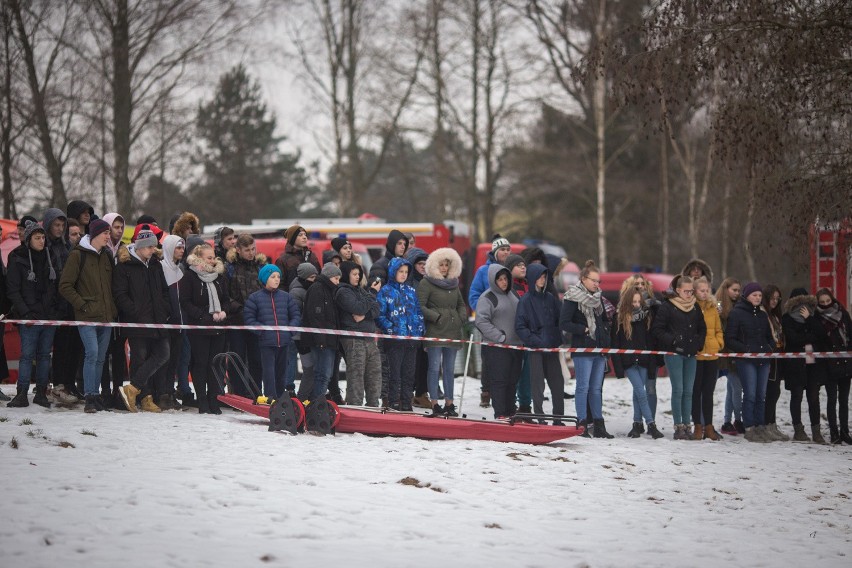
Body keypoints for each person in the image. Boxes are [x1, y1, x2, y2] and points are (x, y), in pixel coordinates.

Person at [58, 219, 118, 413]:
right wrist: (81, 305)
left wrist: (113, 310)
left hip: (106, 316)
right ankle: (89, 397)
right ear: (95, 235)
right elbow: (65, 286)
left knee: (100, 358)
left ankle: (94, 394)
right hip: (86, 316)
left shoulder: (107, 255)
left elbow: (111, 286)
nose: (108, 237)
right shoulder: (77, 255)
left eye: (109, 233)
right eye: (105, 233)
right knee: (91, 354)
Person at [114, 230, 171, 413]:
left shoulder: (155, 264)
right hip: (136, 321)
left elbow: (164, 291)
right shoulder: (124, 266)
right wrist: (135, 312)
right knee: (139, 357)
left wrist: (164, 309)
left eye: (154, 246)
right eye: (149, 246)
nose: (153, 250)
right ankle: (145, 397)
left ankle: (131, 389)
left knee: (163, 353)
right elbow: (120, 295)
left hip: (157, 319)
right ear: (139, 247)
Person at [5, 222, 61, 408]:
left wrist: (51, 310)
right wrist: (26, 312)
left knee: (45, 355)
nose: (41, 241)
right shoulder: (17, 257)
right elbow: (13, 290)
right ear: (28, 240)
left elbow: (55, 286)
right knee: (27, 355)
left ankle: (41, 393)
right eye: (37, 238)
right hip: (27, 317)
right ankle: (21, 393)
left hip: (47, 316)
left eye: (43, 237)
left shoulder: (50, 256)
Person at [180, 243, 238, 414]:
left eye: (214, 257)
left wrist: (224, 311)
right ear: (199, 257)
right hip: (199, 327)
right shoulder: (190, 276)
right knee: (201, 363)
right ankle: (202, 399)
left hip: (219, 326)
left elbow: (227, 299)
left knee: (215, 363)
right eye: (209, 258)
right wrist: (203, 316)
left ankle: (214, 398)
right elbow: (185, 302)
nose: (213, 261)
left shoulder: (220, 276)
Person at [561, 260, 613, 438]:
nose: (597, 284)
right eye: (594, 280)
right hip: (583, 348)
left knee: (596, 388)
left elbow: (605, 320)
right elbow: (564, 322)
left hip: (599, 348)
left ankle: (598, 424)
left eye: (599, 281)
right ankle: (581, 423)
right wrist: (582, 329)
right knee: (582, 387)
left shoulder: (599, 298)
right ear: (583, 279)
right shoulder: (572, 297)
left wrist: (605, 333)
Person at [651, 275, 706, 440]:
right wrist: (673, 340)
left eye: (691, 291)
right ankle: (678, 426)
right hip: (674, 353)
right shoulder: (667, 306)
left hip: (691, 353)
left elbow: (702, 329)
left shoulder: (695, 307)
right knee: (679, 389)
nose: (689, 294)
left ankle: (687, 425)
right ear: (677, 290)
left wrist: (698, 343)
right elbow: (657, 329)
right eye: (686, 291)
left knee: (689, 391)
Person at [417, 248, 467, 417]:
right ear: (434, 265)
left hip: (453, 331)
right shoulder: (426, 283)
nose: (444, 268)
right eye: (441, 264)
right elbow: (420, 305)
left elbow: (461, 303)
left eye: (447, 264)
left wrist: (461, 317)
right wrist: (436, 317)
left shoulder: (454, 283)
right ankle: (434, 403)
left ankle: (449, 403)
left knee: (449, 369)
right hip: (435, 330)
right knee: (433, 368)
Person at [725, 282, 775, 443]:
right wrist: (746, 349)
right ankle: (749, 427)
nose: (758, 298)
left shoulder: (762, 315)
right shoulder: (737, 313)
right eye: (755, 295)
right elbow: (730, 339)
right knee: (750, 394)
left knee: (761, 395)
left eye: (760, 295)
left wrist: (769, 347)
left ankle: (760, 426)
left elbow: (769, 336)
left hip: (763, 359)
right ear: (747, 296)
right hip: (746, 360)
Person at [611, 286, 664, 439]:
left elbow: (651, 341)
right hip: (628, 362)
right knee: (641, 392)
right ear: (627, 302)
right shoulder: (619, 318)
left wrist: (653, 362)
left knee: (637, 392)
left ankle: (636, 424)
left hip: (644, 360)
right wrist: (619, 368)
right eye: (633, 301)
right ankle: (651, 424)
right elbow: (616, 343)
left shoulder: (646, 317)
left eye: (638, 301)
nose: (636, 304)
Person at [515, 263, 565, 422]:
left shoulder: (550, 298)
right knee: (537, 386)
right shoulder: (525, 300)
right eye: (539, 277)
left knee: (557, 383)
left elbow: (559, 320)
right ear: (532, 279)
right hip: (535, 349)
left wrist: (557, 339)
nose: (543, 280)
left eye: (544, 277)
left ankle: (558, 418)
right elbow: (520, 326)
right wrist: (534, 341)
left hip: (551, 348)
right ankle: (540, 417)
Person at [41, 208, 81, 404]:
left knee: (68, 348)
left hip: (68, 305)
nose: (59, 228)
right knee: (49, 350)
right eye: (56, 225)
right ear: (48, 225)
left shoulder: (66, 248)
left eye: (61, 225)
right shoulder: (44, 246)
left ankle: (65, 384)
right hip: (50, 306)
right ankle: (50, 386)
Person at [244, 264, 301, 400]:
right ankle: (270, 397)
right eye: (272, 277)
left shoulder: (286, 297)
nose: (276, 279)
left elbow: (296, 316)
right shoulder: (255, 298)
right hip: (266, 343)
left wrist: (289, 331)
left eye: (278, 277)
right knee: (268, 372)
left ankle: (281, 398)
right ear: (264, 279)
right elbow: (249, 319)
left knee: (282, 373)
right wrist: (262, 332)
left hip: (284, 342)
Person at [469, 234, 512, 408]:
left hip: (507, 320)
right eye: (502, 250)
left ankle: (505, 391)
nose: (506, 252)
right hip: (489, 321)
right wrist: (482, 314)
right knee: (488, 357)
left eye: (508, 250)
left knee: (508, 357)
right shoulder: (483, 271)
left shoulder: (511, 270)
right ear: (495, 252)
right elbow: (473, 295)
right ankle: (486, 391)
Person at [376, 258, 424, 410]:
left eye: (406, 272)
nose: (403, 275)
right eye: (400, 271)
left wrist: (419, 329)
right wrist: (391, 328)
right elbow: (380, 315)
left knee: (409, 374)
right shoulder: (385, 291)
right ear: (393, 272)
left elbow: (418, 312)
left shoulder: (411, 291)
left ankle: (406, 401)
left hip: (411, 340)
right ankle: (394, 401)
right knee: (394, 374)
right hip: (395, 341)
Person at [475, 264, 522, 419]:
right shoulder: (487, 297)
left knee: (512, 380)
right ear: (493, 280)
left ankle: (511, 411)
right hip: (496, 347)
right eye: (500, 279)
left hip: (516, 346)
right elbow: (481, 322)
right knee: (499, 381)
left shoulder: (513, 294)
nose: (504, 282)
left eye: (505, 279)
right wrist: (499, 337)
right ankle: (500, 413)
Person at [782, 288, 828, 443]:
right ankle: (798, 429)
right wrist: (810, 338)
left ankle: (816, 431)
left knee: (814, 397)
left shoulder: (814, 316)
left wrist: (809, 319)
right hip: (795, 364)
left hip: (813, 364)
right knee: (797, 395)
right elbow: (793, 338)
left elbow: (821, 334)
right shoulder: (787, 318)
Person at [225, 234, 266, 397]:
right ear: (238, 250)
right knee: (237, 359)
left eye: (253, 249)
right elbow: (224, 295)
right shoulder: (230, 268)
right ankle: (239, 394)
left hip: (257, 321)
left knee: (257, 359)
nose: (251, 253)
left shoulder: (261, 266)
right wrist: (239, 309)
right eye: (247, 250)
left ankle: (256, 392)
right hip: (237, 320)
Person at [336, 261, 382, 406]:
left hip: (369, 338)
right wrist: (372, 294)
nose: (357, 277)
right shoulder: (343, 291)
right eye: (354, 274)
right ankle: (354, 406)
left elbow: (376, 309)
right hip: (353, 338)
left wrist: (364, 315)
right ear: (346, 275)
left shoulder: (361, 291)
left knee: (374, 374)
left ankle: (373, 405)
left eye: (359, 274)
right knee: (356, 375)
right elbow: (358, 307)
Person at [815, 288, 852, 444]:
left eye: (827, 301)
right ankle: (834, 433)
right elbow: (819, 339)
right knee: (831, 399)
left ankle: (845, 431)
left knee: (844, 400)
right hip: (829, 363)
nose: (825, 304)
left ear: (832, 299)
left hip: (846, 361)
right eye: (821, 302)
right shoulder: (817, 318)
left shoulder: (843, 313)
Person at [302, 263, 342, 402]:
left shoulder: (330, 290)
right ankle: (316, 404)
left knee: (326, 374)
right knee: (322, 374)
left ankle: (316, 403)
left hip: (329, 340)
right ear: (329, 276)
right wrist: (320, 340)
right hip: (321, 341)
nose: (338, 282)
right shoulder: (317, 289)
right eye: (336, 278)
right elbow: (315, 317)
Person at [160, 234, 190, 409]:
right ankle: (162, 393)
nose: (181, 251)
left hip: (180, 322)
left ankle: (170, 392)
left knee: (175, 360)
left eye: (182, 247)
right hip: (168, 322)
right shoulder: (161, 268)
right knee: (164, 359)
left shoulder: (180, 270)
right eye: (178, 247)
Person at [693, 276, 724, 440]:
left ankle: (709, 427)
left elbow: (719, 329)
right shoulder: (691, 306)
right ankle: (697, 426)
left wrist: (718, 343)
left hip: (712, 355)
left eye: (707, 290)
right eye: (701, 290)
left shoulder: (713, 307)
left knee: (708, 392)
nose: (704, 293)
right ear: (695, 291)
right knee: (696, 391)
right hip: (697, 356)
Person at [504, 254, 532, 414]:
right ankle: (509, 405)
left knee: (527, 375)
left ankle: (526, 406)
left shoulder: (530, 286)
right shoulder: (507, 288)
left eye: (524, 265)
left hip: (528, 338)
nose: (523, 267)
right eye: (518, 265)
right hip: (512, 338)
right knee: (512, 374)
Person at [716, 277, 744, 435]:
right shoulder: (718, 304)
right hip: (721, 351)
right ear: (726, 289)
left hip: (734, 351)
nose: (737, 293)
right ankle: (735, 420)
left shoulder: (739, 305)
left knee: (733, 388)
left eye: (739, 290)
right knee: (735, 387)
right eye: (734, 290)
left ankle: (730, 421)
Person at [762, 284, 789, 441]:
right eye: (771, 298)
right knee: (770, 393)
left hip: (779, 356)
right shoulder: (764, 314)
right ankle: (767, 425)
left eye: (777, 299)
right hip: (769, 357)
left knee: (775, 392)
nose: (774, 301)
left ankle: (772, 424)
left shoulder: (776, 315)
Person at [404, 246, 430, 408]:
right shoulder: (408, 282)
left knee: (425, 363)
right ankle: (408, 394)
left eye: (426, 263)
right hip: (410, 329)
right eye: (420, 263)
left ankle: (422, 393)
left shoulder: (430, 281)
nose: (423, 266)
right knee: (411, 364)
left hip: (428, 328)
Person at [290, 263, 318, 399]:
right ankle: (302, 397)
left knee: (311, 368)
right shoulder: (296, 292)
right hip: (300, 338)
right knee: (309, 368)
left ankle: (307, 396)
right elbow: (296, 316)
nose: (314, 280)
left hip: (307, 336)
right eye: (312, 277)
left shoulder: (308, 289)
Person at [275, 224, 321, 289]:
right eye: (300, 235)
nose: (304, 237)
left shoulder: (312, 256)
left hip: (313, 295)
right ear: (292, 238)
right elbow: (280, 284)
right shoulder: (283, 260)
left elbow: (319, 276)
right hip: (294, 296)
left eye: (305, 234)